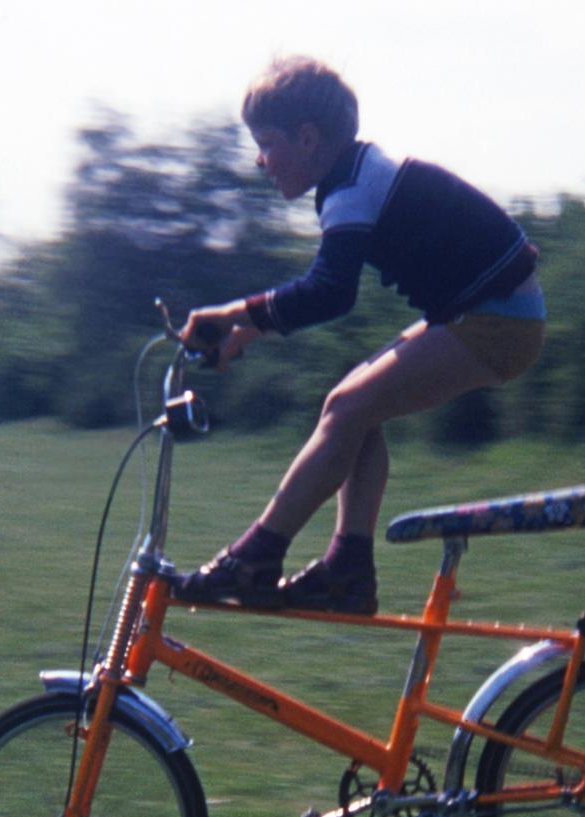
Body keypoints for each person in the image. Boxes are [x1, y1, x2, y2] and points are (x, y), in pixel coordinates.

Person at [175, 55, 545, 615]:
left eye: (267, 143)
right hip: (486, 313)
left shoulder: (352, 188)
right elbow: (324, 290)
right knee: (350, 407)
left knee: (348, 408)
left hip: (497, 322)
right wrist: (248, 330)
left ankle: (255, 557)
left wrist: (232, 314)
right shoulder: (355, 174)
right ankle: (348, 571)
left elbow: (329, 292)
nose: (260, 159)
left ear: (306, 138)